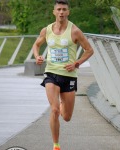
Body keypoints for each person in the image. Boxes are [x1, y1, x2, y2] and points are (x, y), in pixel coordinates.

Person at [32, 0, 94, 149]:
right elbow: (36, 45)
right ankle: (56, 145)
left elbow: (89, 50)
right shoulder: (46, 30)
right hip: (51, 73)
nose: (61, 12)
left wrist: (76, 63)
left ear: (68, 12)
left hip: (69, 75)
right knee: (54, 110)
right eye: (58, 9)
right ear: (54, 12)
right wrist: (37, 56)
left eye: (64, 9)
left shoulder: (75, 31)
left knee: (66, 117)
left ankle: (61, 103)